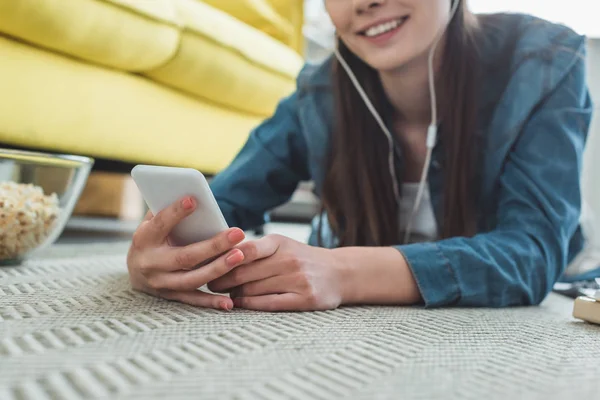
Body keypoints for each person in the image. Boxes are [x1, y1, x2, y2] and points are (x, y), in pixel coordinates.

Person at [126, 0, 595, 312]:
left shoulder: (545, 62)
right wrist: (162, 251)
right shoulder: (318, 92)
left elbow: (532, 254)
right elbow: (219, 206)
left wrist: (341, 272)